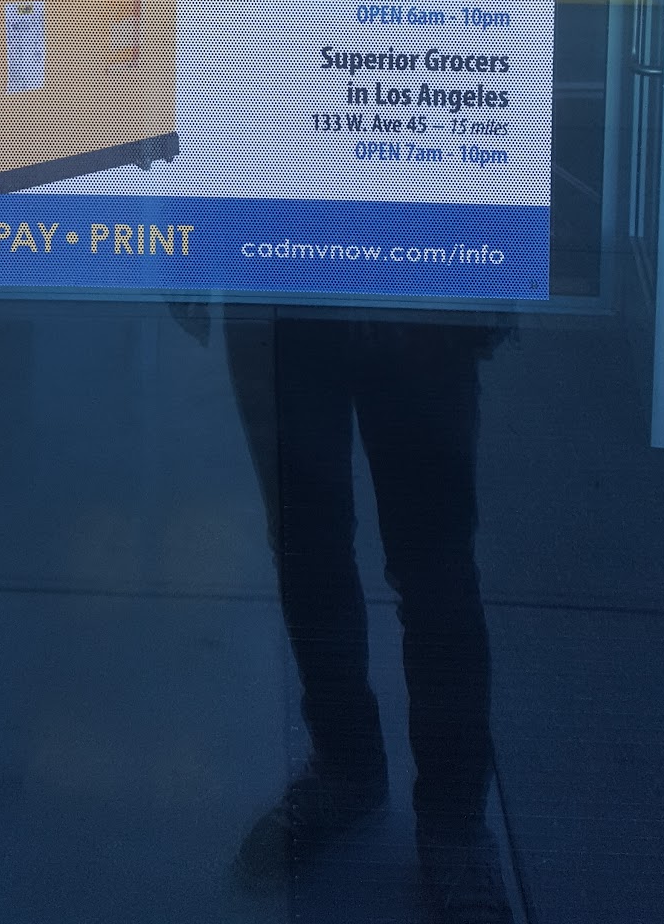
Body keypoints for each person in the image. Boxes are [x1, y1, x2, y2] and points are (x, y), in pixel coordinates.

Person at [222, 308, 513, 924]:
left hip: (398, 281)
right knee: (313, 548)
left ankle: (436, 814)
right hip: (299, 284)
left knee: (431, 567)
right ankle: (367, 778)